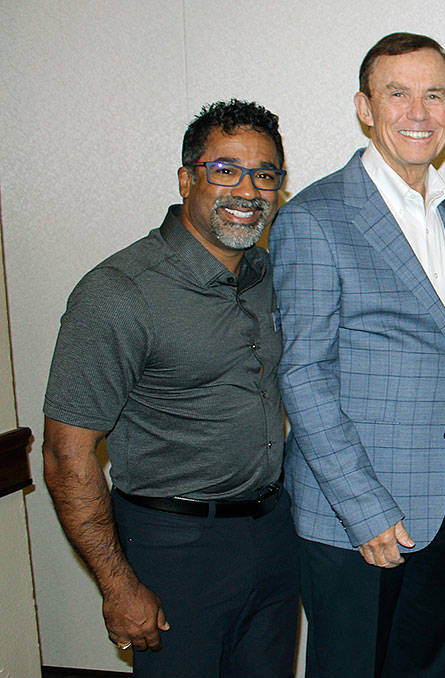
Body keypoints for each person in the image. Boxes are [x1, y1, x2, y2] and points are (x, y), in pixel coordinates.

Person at [42, 99, 296, 676]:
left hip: (271, 536)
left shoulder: (266, 273)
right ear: (187, 179)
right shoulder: (119, 292)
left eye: (265, 175)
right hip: (173, 548)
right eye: (225, 169)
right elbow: (65, 454)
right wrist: (118, 585)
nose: (248, 190)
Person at [269, 32, 445, 677]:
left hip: (441, 506)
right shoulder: (314, 219)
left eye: (434, 95)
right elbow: (302, 374)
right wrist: (365, 510)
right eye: (398, 94)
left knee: (427, 667)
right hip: (354, 518)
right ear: (365, 108)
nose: (418, 112)